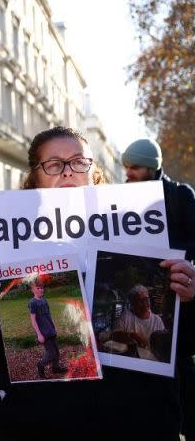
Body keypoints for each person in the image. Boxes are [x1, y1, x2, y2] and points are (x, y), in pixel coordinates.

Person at [0, 126, 195, 440]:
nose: (68, 173)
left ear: (94, 172)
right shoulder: (5, 237)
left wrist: (188, 299)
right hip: (32, 419)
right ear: (35, 177)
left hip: (133, 415)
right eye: (54, 165)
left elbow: (183, 342)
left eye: (79, 162)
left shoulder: (143, 224)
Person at [122, 137, 195, 438]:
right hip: (143, 297)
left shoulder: (180, 197)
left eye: (135, 167)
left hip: (180, 304)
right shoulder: (123, 197)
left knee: (183, 379)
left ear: (153, 167)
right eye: (125, 166)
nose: (128, 173)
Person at [108, 284, 165, 352]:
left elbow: (162, 342)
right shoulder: (126, 316)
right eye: (140, 301)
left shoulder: (157, 320)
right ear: (133, 304)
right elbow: (114, 335)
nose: (145, 303)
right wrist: (131, 335)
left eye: (146, 299)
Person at [27, 279, 66, 379]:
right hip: (44, 333)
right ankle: (40, 365)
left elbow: (49, 315)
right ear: (32, 290)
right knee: (51, 353)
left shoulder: (44, 300)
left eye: (42, 288)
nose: (41, 290)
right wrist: (39, 334)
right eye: (38, 288)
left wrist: (54, 326)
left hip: (51, 330)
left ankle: (55, 368)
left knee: (56, 351)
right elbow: (33, 320)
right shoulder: (32, 303)